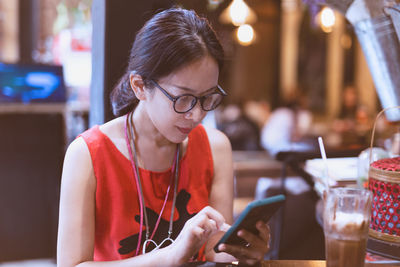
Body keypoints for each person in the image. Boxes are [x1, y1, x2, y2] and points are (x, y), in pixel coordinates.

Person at [57, 8, 270, 267]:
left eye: (207, 97)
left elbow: (215, 251)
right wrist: (169, 256)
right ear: (139, 86)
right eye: (183, 99)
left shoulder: (215, 148)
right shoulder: (88, 154)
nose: (196, 114)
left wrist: (244, 253)